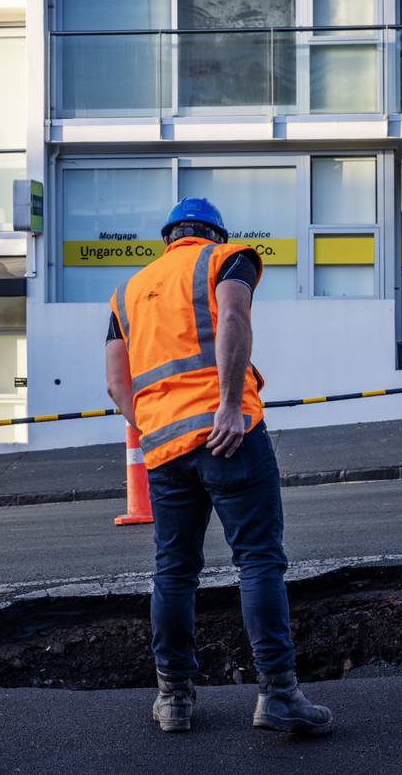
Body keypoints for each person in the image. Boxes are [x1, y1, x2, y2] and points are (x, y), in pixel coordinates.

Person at [103, 197, 333, 736]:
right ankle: (279, 695)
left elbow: (117, 383)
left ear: (168, 238)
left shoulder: (127, 293)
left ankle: (173, 699)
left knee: (174, 570)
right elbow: (232, 315)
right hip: (228, 433)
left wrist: (157, 427)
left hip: (164, 449)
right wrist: (228, 404)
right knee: (257, 560)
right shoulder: (227, 259)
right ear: (213, 233)